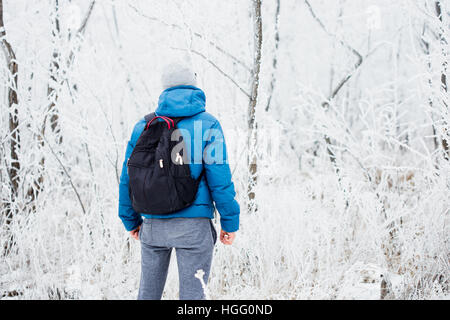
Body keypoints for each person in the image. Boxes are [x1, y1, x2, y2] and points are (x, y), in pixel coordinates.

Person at [118, 61, 240, 300]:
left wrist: (129, 220)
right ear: (194, 85)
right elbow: (220, 178)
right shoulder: (208, 124)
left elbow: (127, 178)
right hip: (193, 228)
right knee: (193, 300)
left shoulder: (143, 126)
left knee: (147, 296)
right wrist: (230, 221)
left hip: (152, 226)